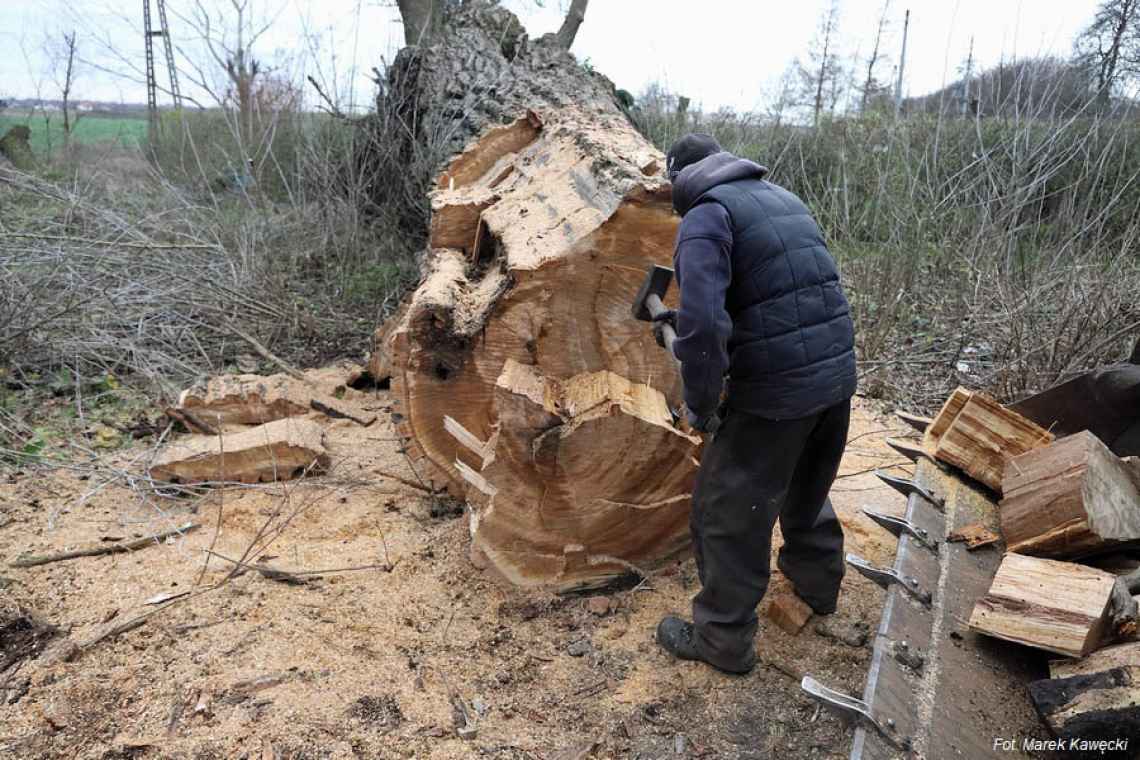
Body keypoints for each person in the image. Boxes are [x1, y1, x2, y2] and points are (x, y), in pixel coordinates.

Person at [652, 133, 857, 675]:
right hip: (835, 376)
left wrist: (700, 405)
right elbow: (775, 295)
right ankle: (818, 587)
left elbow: (703, 328)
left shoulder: (705, 216)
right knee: (805, 486)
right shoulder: (781, 198)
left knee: (726, 514)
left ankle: (722, 639)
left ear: (679, 179)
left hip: (777, 394)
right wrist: (680, 329)